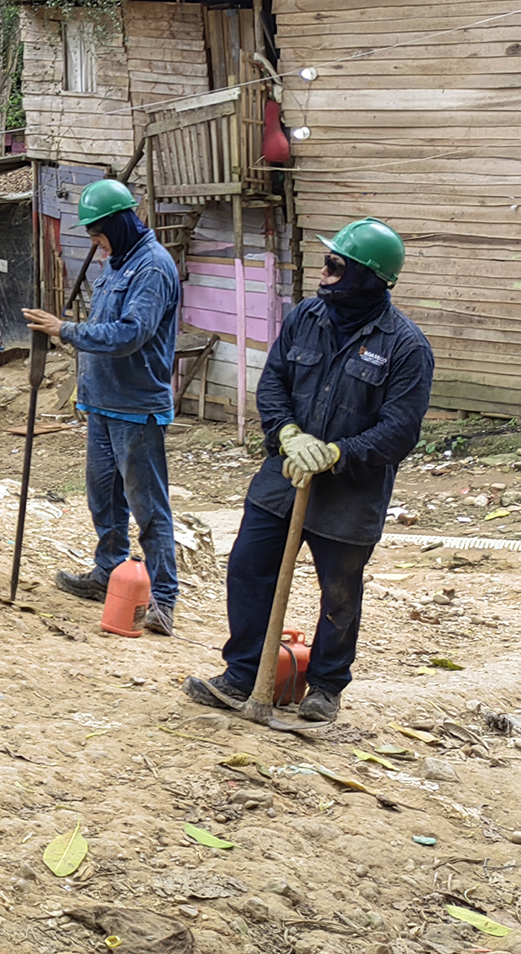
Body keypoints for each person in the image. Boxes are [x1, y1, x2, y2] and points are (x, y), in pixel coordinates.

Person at [182, 218, 432, 724]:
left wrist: (339, 453)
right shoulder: (304, 318)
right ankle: (243, 675)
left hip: (351, 496)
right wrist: (288, 434)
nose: (323, 272)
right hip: (283, 478)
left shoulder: (406, 347)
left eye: (335, 265)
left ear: (368, 276)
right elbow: (273, 382)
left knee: (339, 590)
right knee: (250, 567)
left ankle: (325, 687)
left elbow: (401, 430)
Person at [20, 179, 181, 633]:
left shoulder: (152, 268)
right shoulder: (115, 263)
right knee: (103, 499)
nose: (94, 240)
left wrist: (65, 330)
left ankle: (163, 598)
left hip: (136, 407)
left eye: (97, 230)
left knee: (148, 506)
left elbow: (131, 333)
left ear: (119, 222)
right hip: (102, 402)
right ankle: (108, 571)